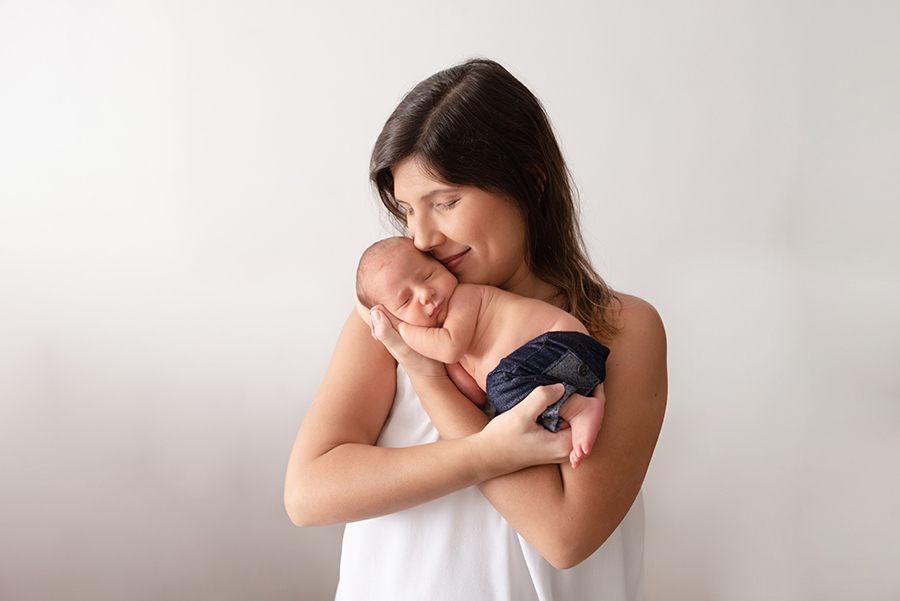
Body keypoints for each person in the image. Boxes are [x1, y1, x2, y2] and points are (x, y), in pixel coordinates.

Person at [285, 58, 667, 600]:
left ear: (530, 179)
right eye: (406, 210)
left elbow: (564, 535)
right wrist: (486, 449)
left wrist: (432, 379)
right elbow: (308, 492)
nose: (420, 239)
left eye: (445, 203)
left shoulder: (621, 328)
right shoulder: (395, 316)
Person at [355, 236, 609, 470]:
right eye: (406, 300)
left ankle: (577, 409)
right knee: (500, 398)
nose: (425, 293)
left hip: (561, 344)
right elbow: (475, 393)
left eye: (428, 275)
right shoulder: (448, 345)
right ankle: (568, 415)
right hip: (553, 373)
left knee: (499, 385)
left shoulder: (464, 297)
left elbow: (449, 346)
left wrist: (399, 329)